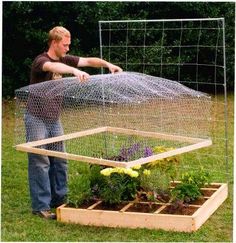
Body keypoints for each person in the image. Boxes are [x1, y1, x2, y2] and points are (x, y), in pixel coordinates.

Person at [26, 26, 123, 219]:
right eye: (65, 45)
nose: (68, 49)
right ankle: (41, 206)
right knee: (40, 161)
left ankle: (60, 200)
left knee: (60, 160)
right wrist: (73, 71)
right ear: (54, 43)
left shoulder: (64, 58)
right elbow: (53, 67)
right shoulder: (41, 61)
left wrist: (108, 64)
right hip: (36, 118)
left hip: (54, 119)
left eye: (69, 45)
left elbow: (88, 61)